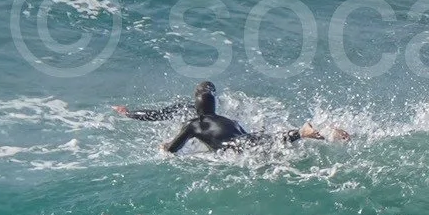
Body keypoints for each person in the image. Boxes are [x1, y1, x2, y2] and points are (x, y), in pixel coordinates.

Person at [118, 82, 346, 154]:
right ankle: (321, 131)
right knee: (270, 140)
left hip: (236, 148)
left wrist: (164, 146)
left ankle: (304, 132)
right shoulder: (227, 120)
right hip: (245, 139)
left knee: (269, 144)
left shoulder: (194, 124)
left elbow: (172, 150)